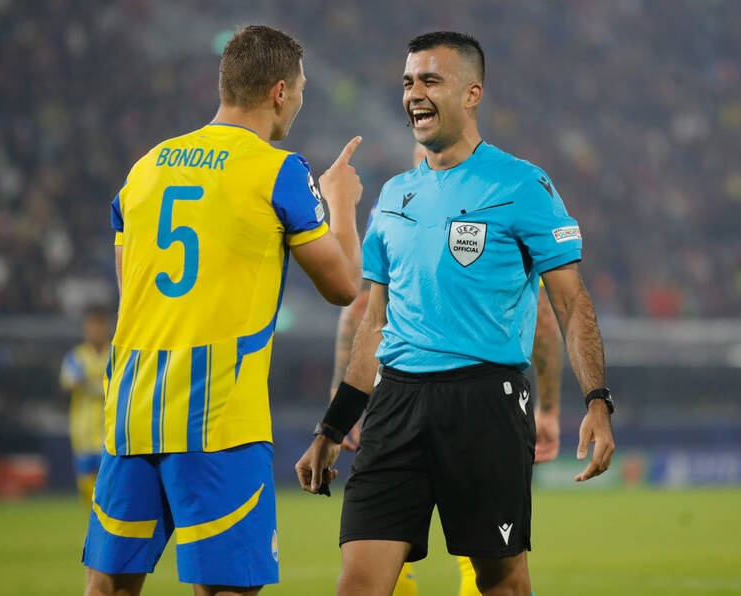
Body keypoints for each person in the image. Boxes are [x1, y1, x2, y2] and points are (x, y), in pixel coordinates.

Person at [296, 31, 614, 596]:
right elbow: (373, 323)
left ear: (472, 93)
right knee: (358, 583)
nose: (413, 93)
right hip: (395, 404)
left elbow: (570, 303)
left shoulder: (522, 184)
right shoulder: (393, 196)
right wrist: (332, 427)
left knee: (501, 582)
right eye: (407, 82)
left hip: (484, 402)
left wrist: (596, 400)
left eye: (430, 80)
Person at [82, 25, 363, 596]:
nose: (300, 102)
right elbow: (343, 287)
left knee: (109, 586)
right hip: (217, 416)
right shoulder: (277, 170)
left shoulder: (145, 168)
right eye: (301, 89)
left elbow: (130, 289)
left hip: (133, 410)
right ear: (280, 91)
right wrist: (340, 200)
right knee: (226, 589)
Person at [328, 144, 564, 596]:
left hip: (407, 397)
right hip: (446, 397)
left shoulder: (395, 203)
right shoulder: (481, 193)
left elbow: (358, 309)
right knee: (484, 568)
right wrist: (549, 408)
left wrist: (343, 403)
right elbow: (544, 321)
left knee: (383, 565)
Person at [59, 304, 112, 505]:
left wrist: (89, 381)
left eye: (99, 325)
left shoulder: (114, 354)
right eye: (91, 325)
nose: (95, 330)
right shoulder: (76, 357)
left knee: (107, 484)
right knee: (86, 488)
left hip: (109, 429)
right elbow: (67, 382)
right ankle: (93, 519)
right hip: (83, 430)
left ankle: (104, 520)